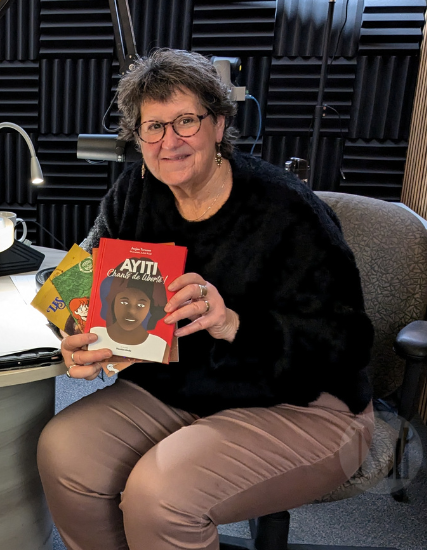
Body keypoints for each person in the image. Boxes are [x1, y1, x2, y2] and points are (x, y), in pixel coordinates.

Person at [37, 48, 375, 550]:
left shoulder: (285, 208)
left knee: (159, 497)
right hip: (183, 387)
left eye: (186, 121)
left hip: (303, 403)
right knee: (63, 451)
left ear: (219, 125)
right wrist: (74, 332)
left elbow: (348, 342)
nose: (169, 141)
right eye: (153, 127)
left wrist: (233, 323)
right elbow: (76, 281)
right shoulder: (136, 190)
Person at [89, 258, 169, 361]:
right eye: (124, 302)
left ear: (152, 306)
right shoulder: (93, 336)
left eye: (141, 305)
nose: (132, 311)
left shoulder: (160, 346)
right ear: (112, 301)